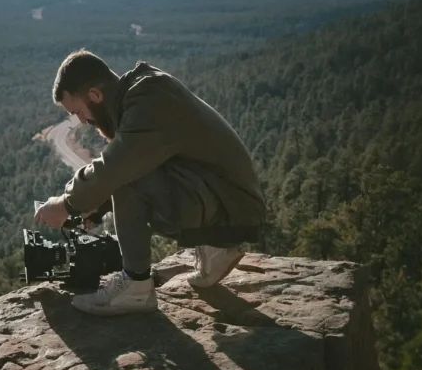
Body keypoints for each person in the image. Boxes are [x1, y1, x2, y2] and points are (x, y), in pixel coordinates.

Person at [34, 49, 267, 316]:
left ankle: (136, 286)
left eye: (78, 111)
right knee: (126, 171)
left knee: (125, 174)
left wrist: (66, 205)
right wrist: (96, 208)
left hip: (232, 208)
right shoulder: (143, 94)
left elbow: (117, 167)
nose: (83, 121)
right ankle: (216, 248)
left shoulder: (149, 101)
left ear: (96, 95)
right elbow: (148, 163)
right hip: (229, 202)